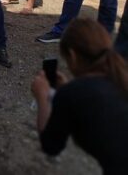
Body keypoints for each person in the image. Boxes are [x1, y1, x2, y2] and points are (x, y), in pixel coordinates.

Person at [31, 18, 128, 174]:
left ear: (72, 55)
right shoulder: (120, 77)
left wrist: (42, 96)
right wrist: (68, 90)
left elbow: (50, 145)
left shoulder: (73, 93)